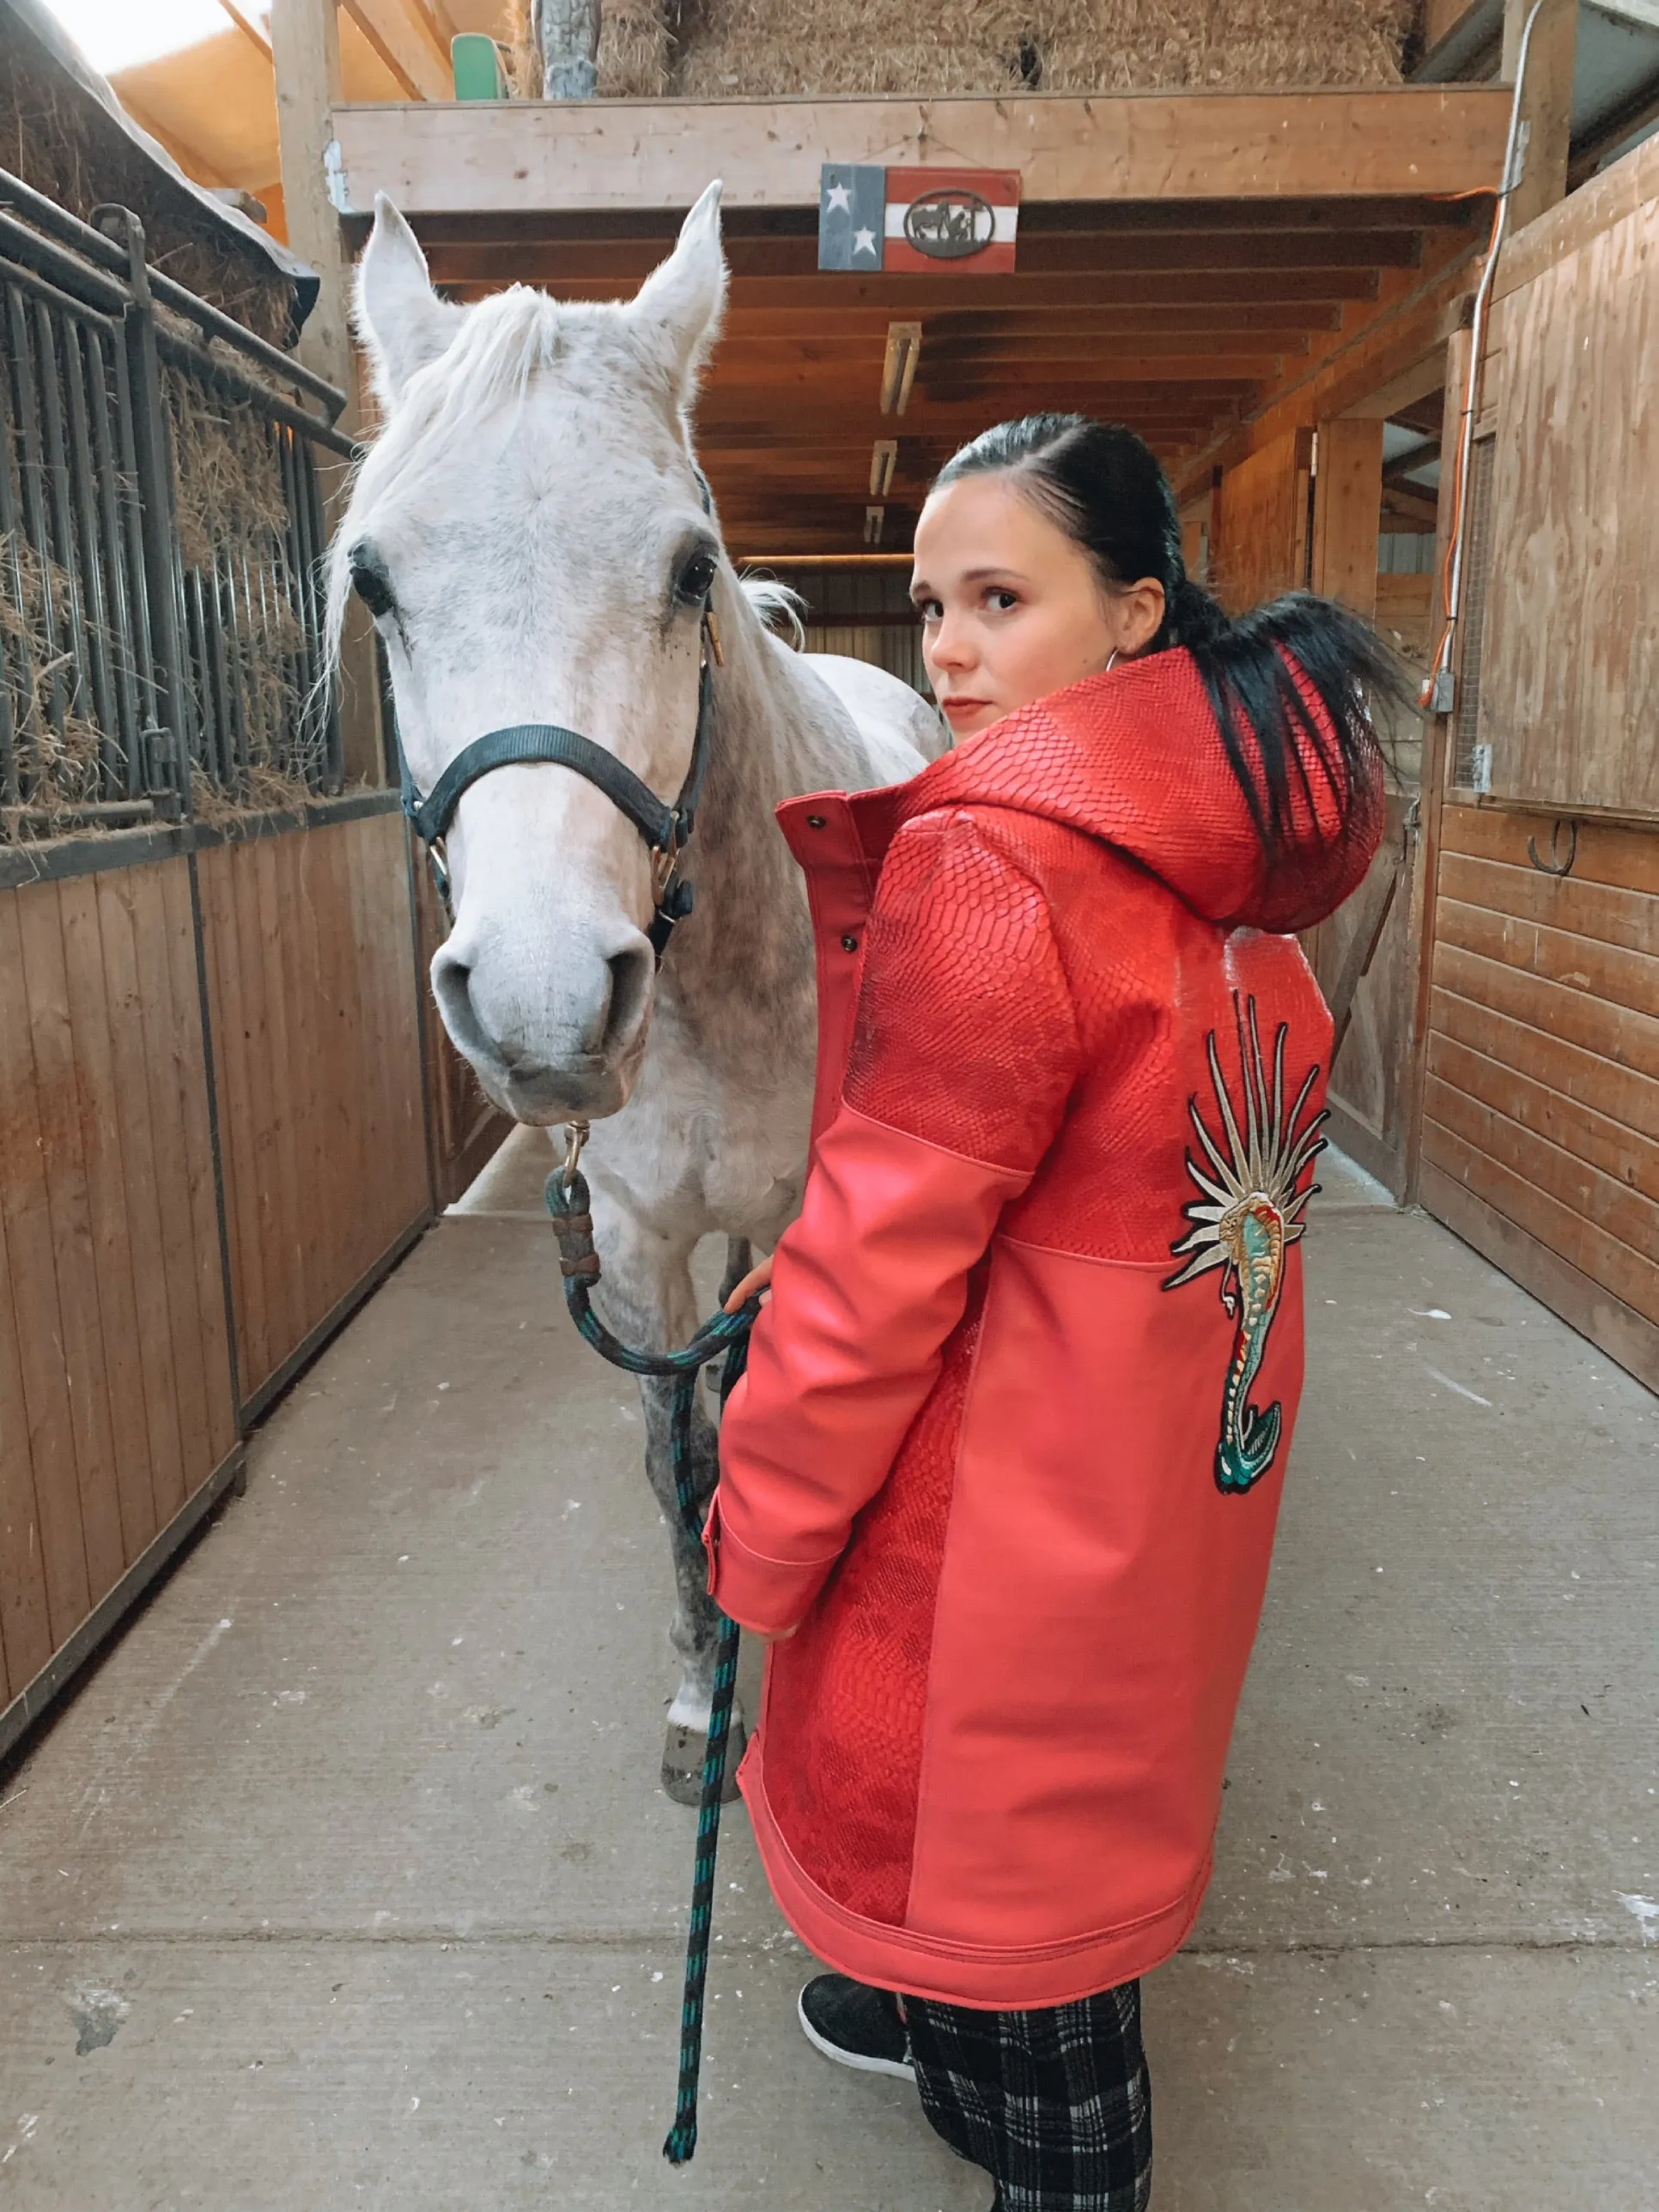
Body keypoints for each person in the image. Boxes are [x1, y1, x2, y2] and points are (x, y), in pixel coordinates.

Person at [706, 414, 1397, 2211]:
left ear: (1136, 614)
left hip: (995, 1531)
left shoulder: (995, 866)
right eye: (935, 603)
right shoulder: (1249, 861)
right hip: (1172, 1480)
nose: (946, 648)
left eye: (1002, 599)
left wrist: (761, 1531)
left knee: (1020, 1940)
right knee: (1081, 1861)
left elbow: (873, 1272)